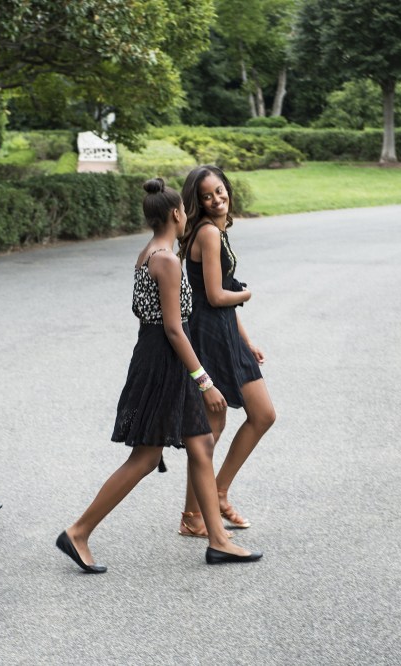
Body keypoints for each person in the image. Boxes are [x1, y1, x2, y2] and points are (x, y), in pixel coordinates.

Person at [56, 178, 262, 574]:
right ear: (176, 214)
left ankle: (216, 539)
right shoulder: (166, 259)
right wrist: (206, 381)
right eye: (185, 211)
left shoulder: (150, 251)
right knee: (146, 457)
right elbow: (173, 328)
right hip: (163, 361)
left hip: (155, 357)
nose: (188, 216)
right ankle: (79, 531)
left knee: (199, 443)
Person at [175, 165, 276, 538]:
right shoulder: (207, 234)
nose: (217, 199)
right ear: (197, 202)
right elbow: (218, 297)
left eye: (220, 191)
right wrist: (247, 294)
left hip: (227, 333)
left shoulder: (216, 232)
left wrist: (247, 339)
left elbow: (219, 297)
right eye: (207, 196)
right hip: (210, 337)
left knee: (262, 414)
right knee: (210, 429)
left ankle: (217, 492)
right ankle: (191, 516)